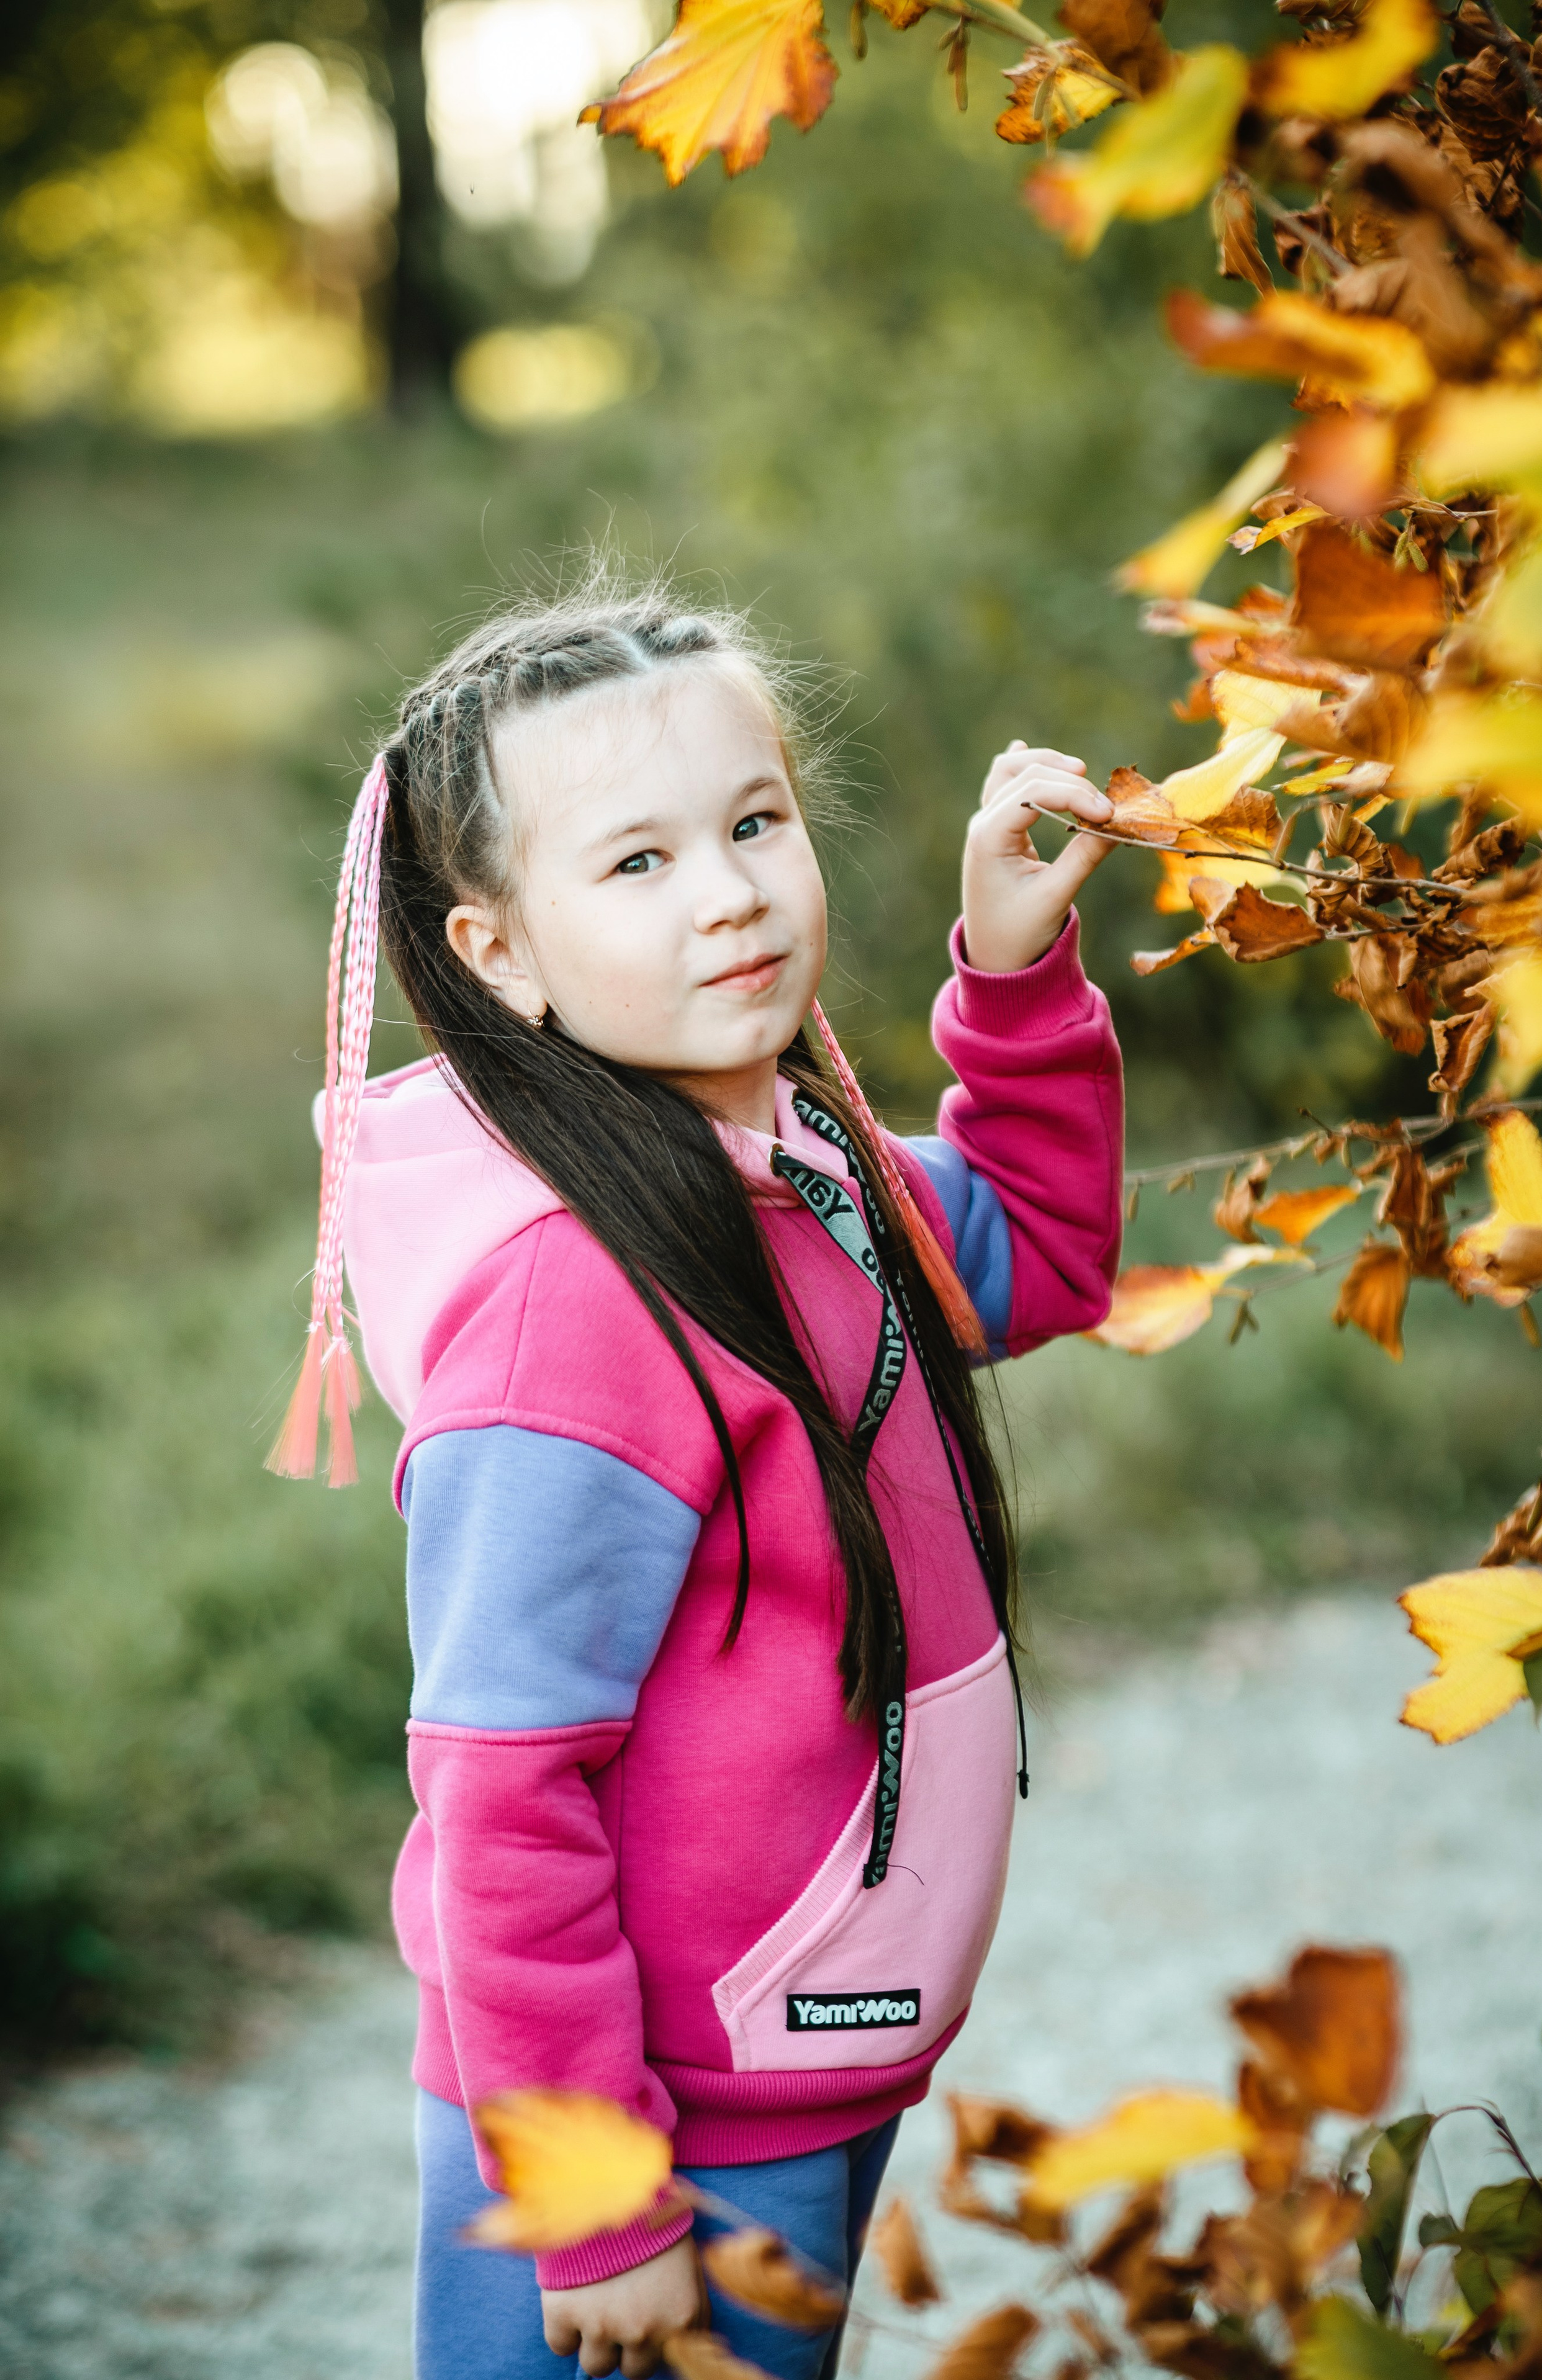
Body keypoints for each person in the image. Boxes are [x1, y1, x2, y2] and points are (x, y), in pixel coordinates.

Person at [270, 577, 1124, 2380]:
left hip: (794, 2058)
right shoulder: (578, 1307)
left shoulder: (801, 1160)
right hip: (658, 2133)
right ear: (497, 949)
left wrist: (1018, 974)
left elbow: (1035, 1255)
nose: (730, 891)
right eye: (637, 862)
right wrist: (593, 2199)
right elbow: (502, 1794)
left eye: (754, 824)